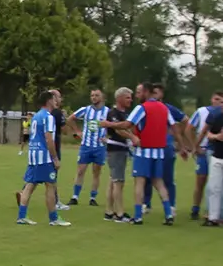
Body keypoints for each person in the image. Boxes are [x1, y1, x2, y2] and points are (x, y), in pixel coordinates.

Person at [121, 84, 179, 225]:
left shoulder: (143, 108)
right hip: (159, 152)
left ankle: (138, 216)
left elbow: (127, 124)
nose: (137, 95)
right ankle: (168, 214)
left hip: (144, 151)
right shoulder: (164, 107)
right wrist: (179, 142)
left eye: (139, 92)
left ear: (146, 92)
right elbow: (174, 125)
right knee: (159, 182)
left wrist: (109, 124)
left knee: (139, 182)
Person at [16, 92, 71, 227]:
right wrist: (55, 158)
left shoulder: (36, 116)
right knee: (50, 185)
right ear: (49, 101)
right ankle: (54, 218)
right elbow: (48, 139)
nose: (56, 101)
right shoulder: (48, 117)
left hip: (33, 155)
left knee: (30, 185)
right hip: (44, 158)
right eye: (54, 99)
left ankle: (22, 216)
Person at [140, 83, 188, 213]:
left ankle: (171, 206)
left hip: (166, 146)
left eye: (157, 93)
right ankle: (146, 203)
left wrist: (179, 140)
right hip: (149, 146)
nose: (154, 95)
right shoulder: (144, 108)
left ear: (161, 94)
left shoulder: (167, 109)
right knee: (147, 176)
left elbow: (185, 120)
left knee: (167, 177)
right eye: (152, 92)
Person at [67, 90, 110, 207]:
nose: (94, 97)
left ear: (102, 97)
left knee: (96, 173)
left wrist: (107, 137)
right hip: (86, 146)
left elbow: (113, 126)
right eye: (92, 95)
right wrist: (77, 131)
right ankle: (75, 197)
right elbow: (70, 118)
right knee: (80, 171)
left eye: (97, 95)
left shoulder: (108, 112)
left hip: (100, 147)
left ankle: (93, 197)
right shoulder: (85, 109)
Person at [100, 87, 137, 222]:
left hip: (121, 149)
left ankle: (109, 211)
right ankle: (119, 213)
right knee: (118, 182)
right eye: (127, 97)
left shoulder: (126, 114)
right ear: (119, 98)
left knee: (112, 180)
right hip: (116, 149)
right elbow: (118, 129)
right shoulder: (113, 113)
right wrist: (132, 137)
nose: (130, 100)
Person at [188, 92, 223, 220]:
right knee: (204, 182)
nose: (218, 102)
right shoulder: (204, 112)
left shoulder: (216, 115)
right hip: (207, 149)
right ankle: (198, 209)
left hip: (214, 150)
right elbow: (195, 129)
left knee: (214, 184)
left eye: (221, 100)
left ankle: (213, 212)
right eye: (216, 99)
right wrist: (195, 146)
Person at [203, 102, 223, 227]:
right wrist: (217, 136)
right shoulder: (219, 117)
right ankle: (213, 217)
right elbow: (209, 134)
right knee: (213, 188)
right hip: (217, 156)